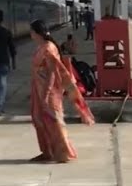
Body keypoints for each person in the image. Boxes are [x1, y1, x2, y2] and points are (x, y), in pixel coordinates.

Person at [28, 19, 94, 163]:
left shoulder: (49, 48)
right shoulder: (40, 47)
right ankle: (47, 151)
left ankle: (63, 153)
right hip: (38, 90)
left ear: (37, 33)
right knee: (39, 120)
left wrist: (46, 93)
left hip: (49, 91)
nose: (30, 34)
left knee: (54, 121)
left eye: (32, 31)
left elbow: (52, 72)